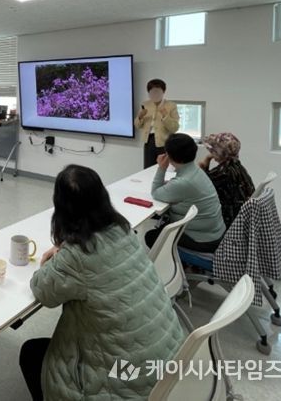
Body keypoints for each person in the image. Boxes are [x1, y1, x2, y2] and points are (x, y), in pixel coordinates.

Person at [19, 165, 184, 401]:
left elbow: (42, 290)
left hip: (126, 382)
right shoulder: (123, 230)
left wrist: (58, 256)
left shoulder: (77, 256)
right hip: (168, 368)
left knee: (31, 354)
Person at [145, 133, 227, 252]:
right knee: (162, 227)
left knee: (151, 237)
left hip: (204, 241)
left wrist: (162, 168)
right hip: (215, 232)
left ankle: (184, 259)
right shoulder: (195, 170)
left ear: (170, 156)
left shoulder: (183, 182)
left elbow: (156, 193)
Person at [199, 132, 255, 228]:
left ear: (219, 153)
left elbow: (201, 185)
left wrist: (204, 163)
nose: (211, 154)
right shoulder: (236, 165)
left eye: (213, 151)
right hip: (242, 216)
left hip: (230, 220)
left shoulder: (224, 172)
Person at [134, 79, 180, 168]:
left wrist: (165, 116)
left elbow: (175, 128)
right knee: (148, 168)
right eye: (152, 92)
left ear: (163, 92)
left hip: (165, 142)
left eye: (158, 92)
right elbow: (137, 125)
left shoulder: (171, 105)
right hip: (149, 141)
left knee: (164, 168)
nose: (155, 95)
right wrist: (140, 116)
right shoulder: (145, 104)